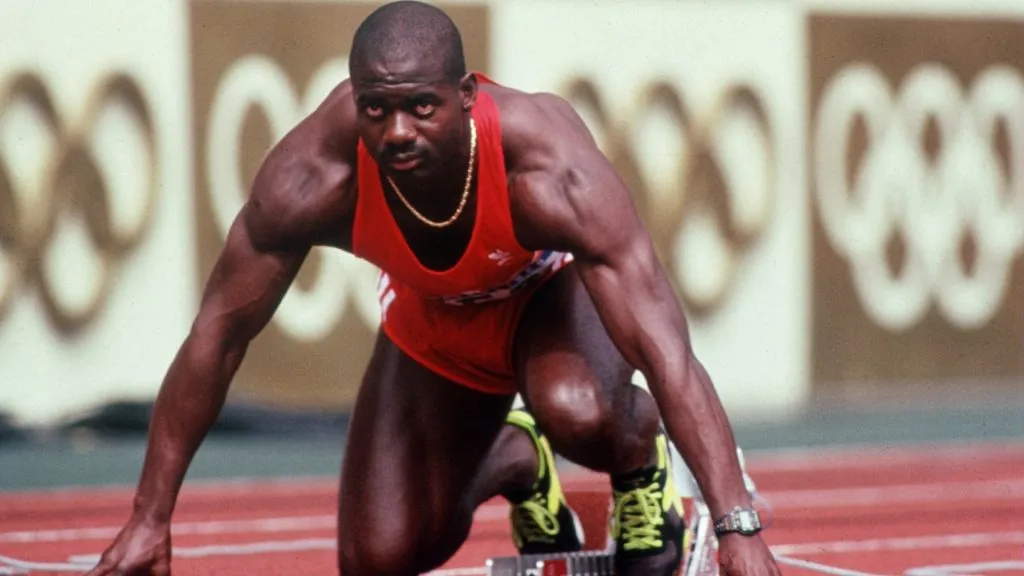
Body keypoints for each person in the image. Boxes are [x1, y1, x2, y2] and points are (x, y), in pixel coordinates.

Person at [86, 2, 780, 575]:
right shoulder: (311, 180)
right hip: (437, 323)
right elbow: (217, 336)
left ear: (467, 95)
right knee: (377, 558)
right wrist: (150, 517)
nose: (397, 134)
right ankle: (517, 461)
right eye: (376, 110)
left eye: (421, 107)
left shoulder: (546, 168)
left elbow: (665, 349)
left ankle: (639, 462)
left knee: (574, 407)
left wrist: (736, 523)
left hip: (548, 305)